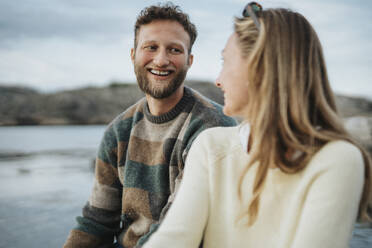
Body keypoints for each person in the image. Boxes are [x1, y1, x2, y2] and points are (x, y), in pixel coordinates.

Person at [143, 2, 372, 248]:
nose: (218, 81)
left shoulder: (337, 159)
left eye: (225, 61)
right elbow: (173, 239)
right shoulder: (210, 145)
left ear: (260, 66)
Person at [63, 3, 236, 248]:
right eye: (151, 47)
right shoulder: (118, 132)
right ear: (133, 54)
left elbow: (175, 230)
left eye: (174, 50)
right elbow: (97, 220)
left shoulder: (212, 128)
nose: (161, 59)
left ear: (189, 60)